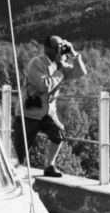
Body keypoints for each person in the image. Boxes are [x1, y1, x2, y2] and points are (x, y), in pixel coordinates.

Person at [13, 35, 87, 177]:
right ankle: (15, 171)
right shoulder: (37, 62)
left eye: (62, 47)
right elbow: (44, 86)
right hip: (29, 112)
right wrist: (59, 69)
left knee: (58, 132)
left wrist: (73, 54)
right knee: (21, 150)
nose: (60, 51)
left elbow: (81, 72)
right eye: (56, 48)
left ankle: (49, 166)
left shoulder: (60, 64)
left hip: (48, 111)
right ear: (46, 48)